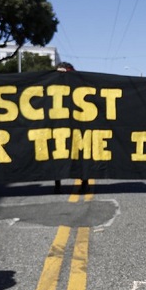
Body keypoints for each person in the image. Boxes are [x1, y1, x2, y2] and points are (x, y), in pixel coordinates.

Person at [53, 62, 89, 194]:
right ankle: (57, 184)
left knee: (80, 155)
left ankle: (84, 182)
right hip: (59, 125)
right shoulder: (52, 84)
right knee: (57, 154)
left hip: (77, 125)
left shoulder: (77, 82)